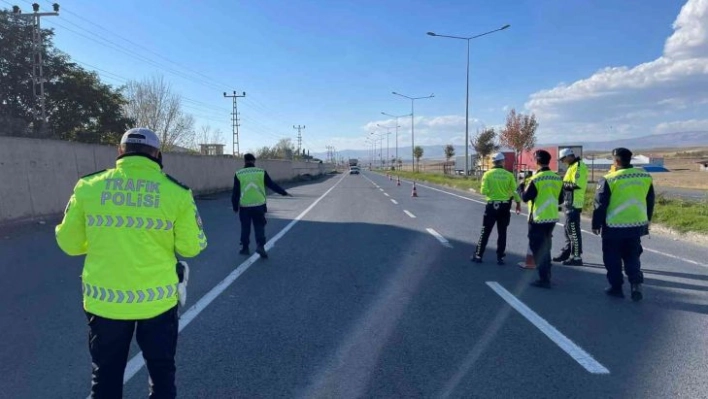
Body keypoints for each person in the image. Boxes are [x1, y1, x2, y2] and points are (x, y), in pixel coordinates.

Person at [55, 127, 208, 398]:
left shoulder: (89, 186)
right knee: (161, 373)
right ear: (157, 154)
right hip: (158, 302)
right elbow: (190, 247)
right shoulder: (177, 193)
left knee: (105, 377)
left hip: (104, 301)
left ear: (120, 151)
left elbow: (69, 244)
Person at [592, 147, 654, 301]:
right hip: (636, 225)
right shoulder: (644, 176)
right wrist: (647, 219)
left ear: (616, 160)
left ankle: (616, 287)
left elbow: (600, 205)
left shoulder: (609, 179)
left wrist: (596, 224)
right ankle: (636, 284)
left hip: (614, 226)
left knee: (612, 258)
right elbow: (650, 200)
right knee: (632, 256)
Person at [232, 153, 291, 258]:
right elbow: (272, 185)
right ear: (254, 161)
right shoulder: (261, 172)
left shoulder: (239, 174)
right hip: (259, 205)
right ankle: (260, 246)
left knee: (245, 227)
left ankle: (245, 248)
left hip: (245, 206)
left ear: (244, 161)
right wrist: (283, 192)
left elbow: (235, 192)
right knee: (259, 226)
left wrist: (235, 207)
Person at [521, 150, 563, 288]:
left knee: (538, 249)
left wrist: (521, 187)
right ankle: (547, 273)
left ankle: (544, 279)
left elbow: (525, 197)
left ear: (537, 161)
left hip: (538, 218)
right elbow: (561, 198)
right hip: (551, 217)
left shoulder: (536, 179)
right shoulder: (557, 177)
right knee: (546, 247)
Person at [471, 152, 521, 265]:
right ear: (503, 162)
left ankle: (478, 255)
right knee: (502, 232)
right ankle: (500, 257)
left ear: (493, 162)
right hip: (505, 206)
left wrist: (493, 193)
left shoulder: (487, 174)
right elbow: (514, 191)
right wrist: (518, 203)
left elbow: (483, 191)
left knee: (485, 231)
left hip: (492, 206)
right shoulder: (509, 175)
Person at [553, 148, 589, 266]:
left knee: (573, 231)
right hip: (568, 202)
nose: (563, 161)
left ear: (570, 156)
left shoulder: (579, 166)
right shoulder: (572, 166)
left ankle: (577, 257)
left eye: (563, 159)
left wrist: (561, 183)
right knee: (568, 230)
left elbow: (576, 184)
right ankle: (568, 252)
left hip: (574, 203)